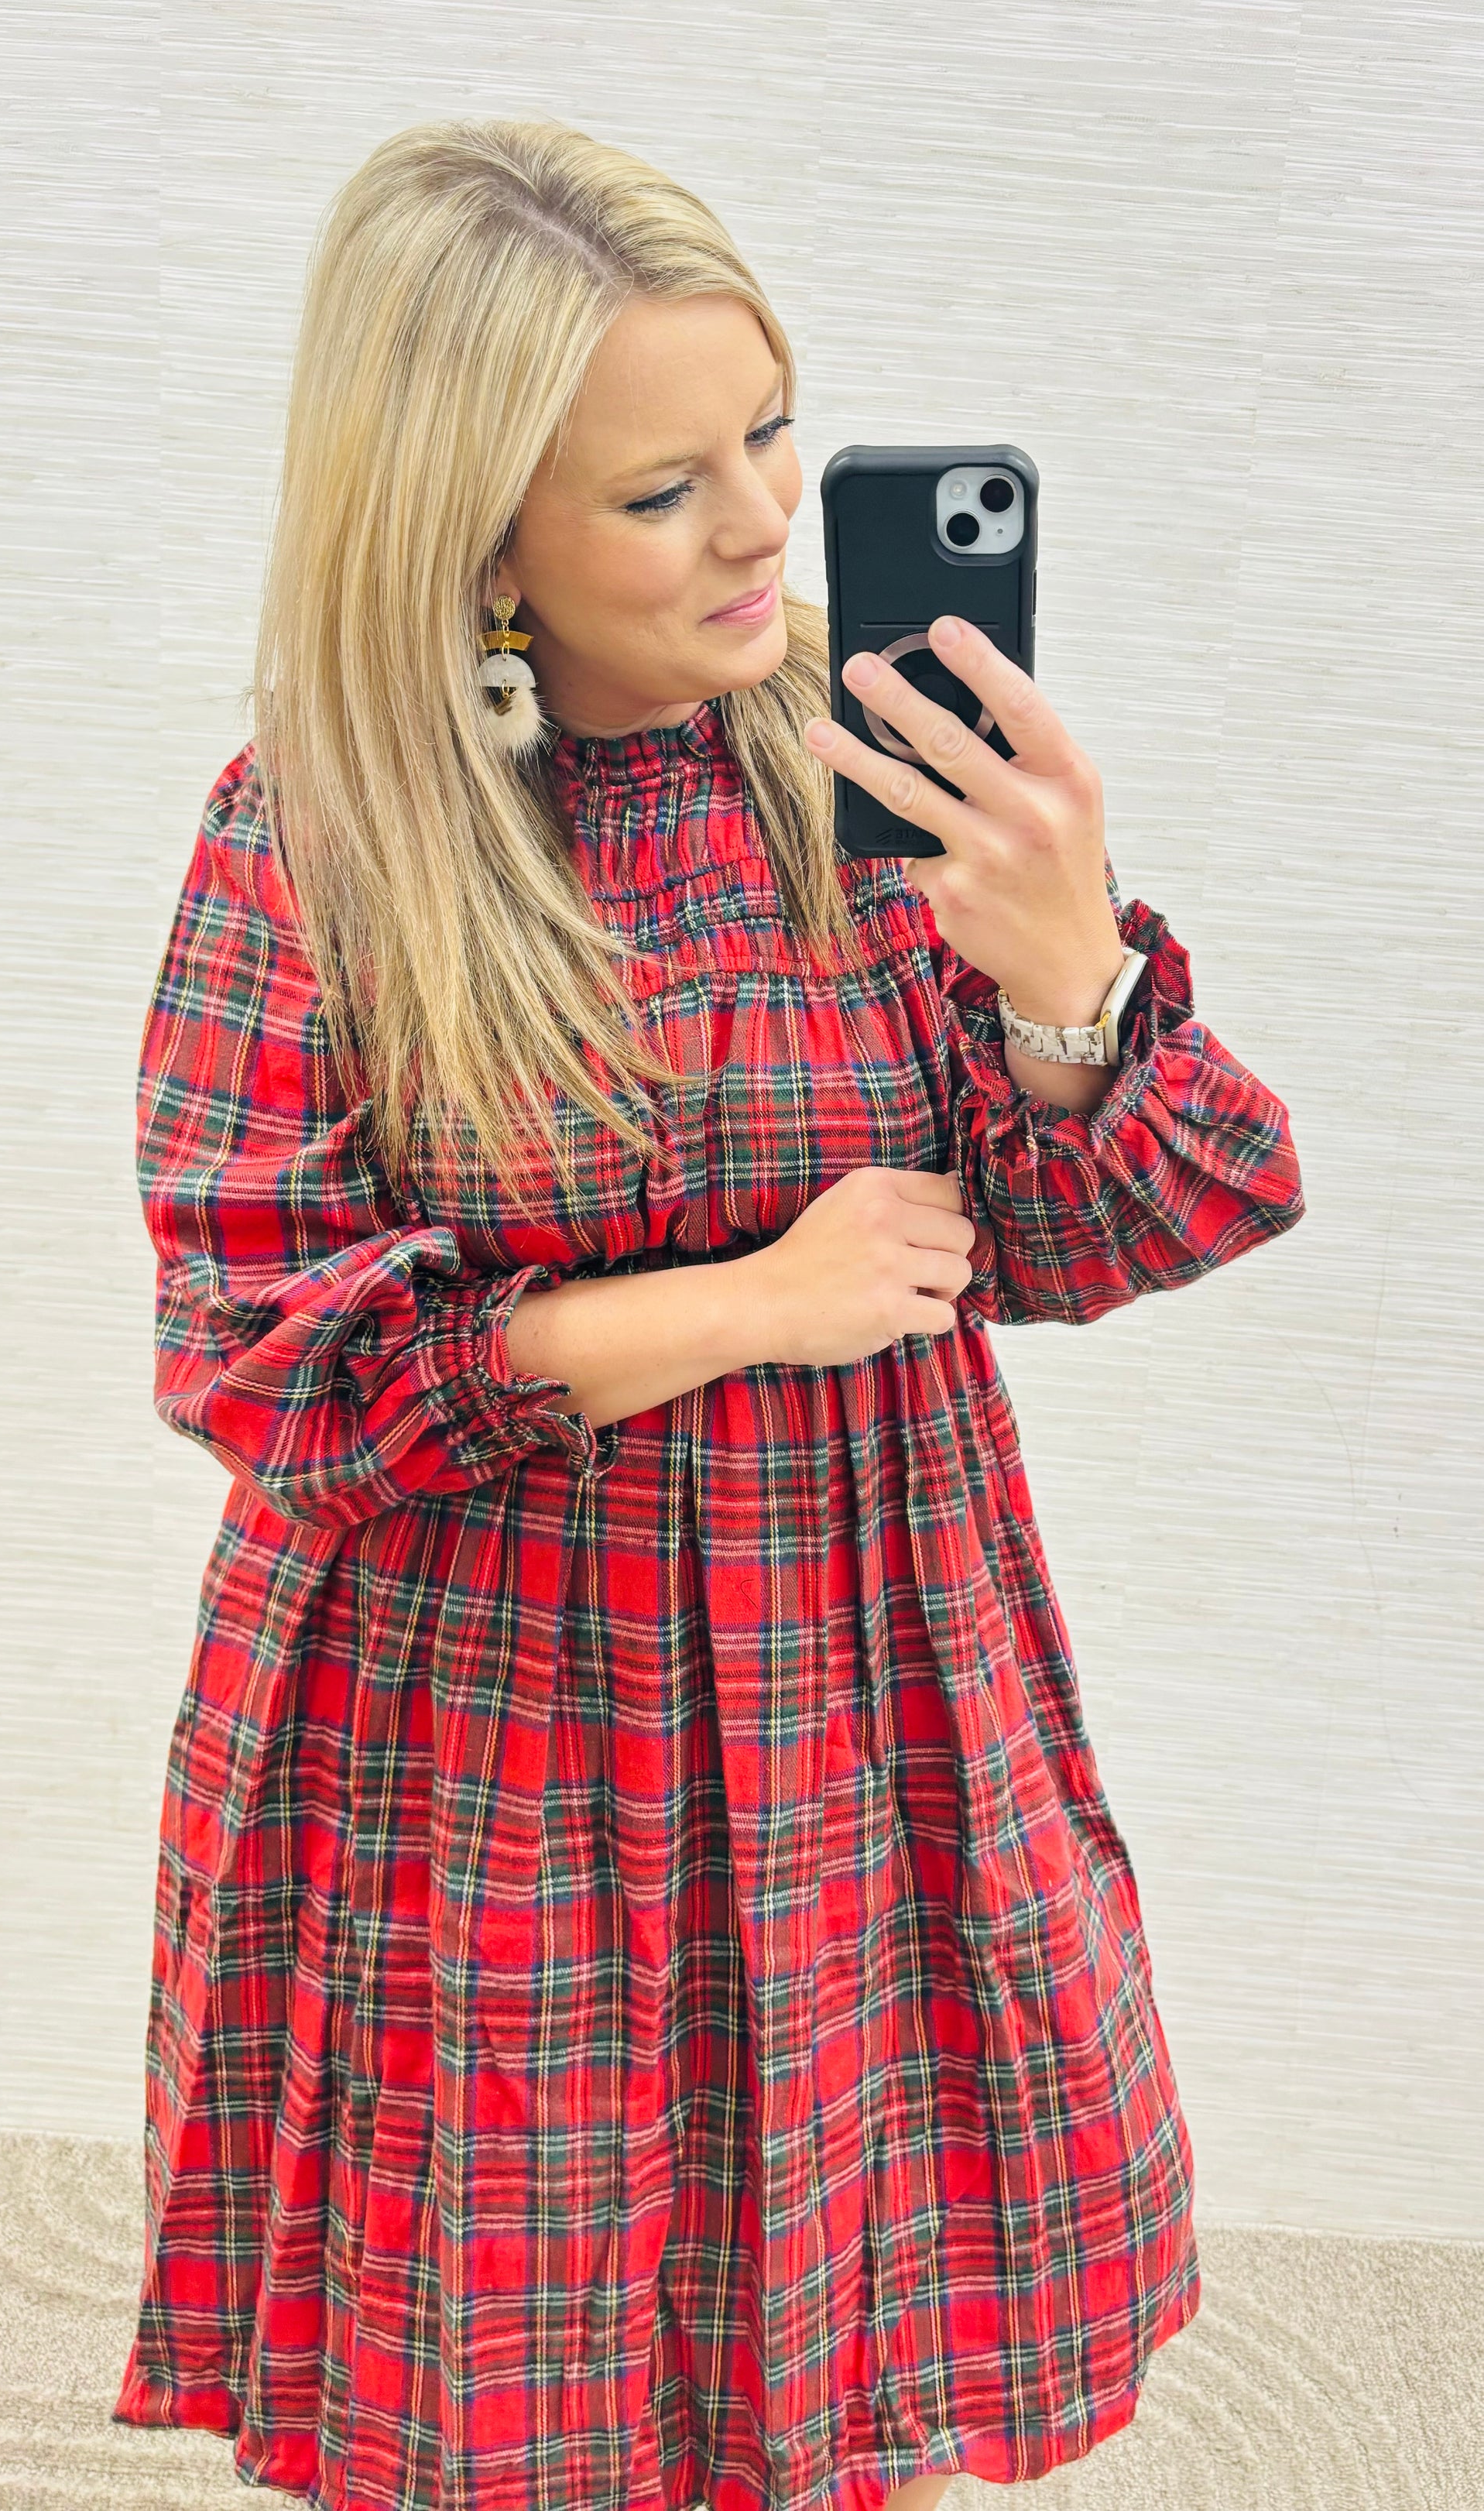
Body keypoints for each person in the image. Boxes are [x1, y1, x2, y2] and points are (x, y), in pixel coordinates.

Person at [114, 115, 1305, 2511]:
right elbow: (263, 1356)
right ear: (480, 538)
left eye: (772, 433)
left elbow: (1101, 1230)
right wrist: (743, 1303)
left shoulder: (876, 774)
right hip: (480, 1712)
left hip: (851, 1670)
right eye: (663, 490)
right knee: (514, 2340)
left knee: (849, 2307)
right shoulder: (324, 832)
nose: (766, 525)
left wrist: (1066, 978)